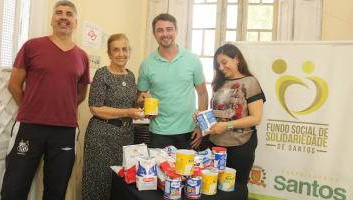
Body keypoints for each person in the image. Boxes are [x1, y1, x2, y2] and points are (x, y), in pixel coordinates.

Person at [1, 1, 90, 199]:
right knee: (13, 188)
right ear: (52, 19)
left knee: (56, 190)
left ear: (75, 22)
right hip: (29, 127)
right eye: (59, 13)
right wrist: (33, 108)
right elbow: (14, 85)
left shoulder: (82, 56)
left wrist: (61, 108)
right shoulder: (32, 46)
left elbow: (81, 93)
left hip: (65, 131)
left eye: (69, 14)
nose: (64, 17)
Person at [82, 33, 144, 200]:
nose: (121, 53)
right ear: (109, 54)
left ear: (129, 52)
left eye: (124, 49)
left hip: (125, 136)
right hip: (102, 136)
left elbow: (129, 106)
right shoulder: (102, 74)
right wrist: (128, 112)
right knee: (98, 182)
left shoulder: (130, 76)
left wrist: (139, 102)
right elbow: (95, 108)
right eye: (115, 50)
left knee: (119, 183)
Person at [137, 13, 208, 149]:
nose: (165, 34)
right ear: (154, 33)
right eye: (160, 30)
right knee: (160, 170)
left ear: (176, 31)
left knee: (188, 171)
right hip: (159, 132)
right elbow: (139, 98)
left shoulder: (192, 60)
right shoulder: (146, 64)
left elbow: (203, 93)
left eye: (169, 29)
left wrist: (201, 126)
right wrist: (143, 101)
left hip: (189, 131)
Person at [207, 43, 265, 199]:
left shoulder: (250, 82)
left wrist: (227, 125)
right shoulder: (218, 84)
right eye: (218, 64)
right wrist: (203, 118)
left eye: (224, 62)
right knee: (214, 188)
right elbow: (217, 113)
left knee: (236, 189)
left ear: (237, 59)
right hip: (215, 144)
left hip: (240, 145)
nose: (220, 67)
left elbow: (256, 118)